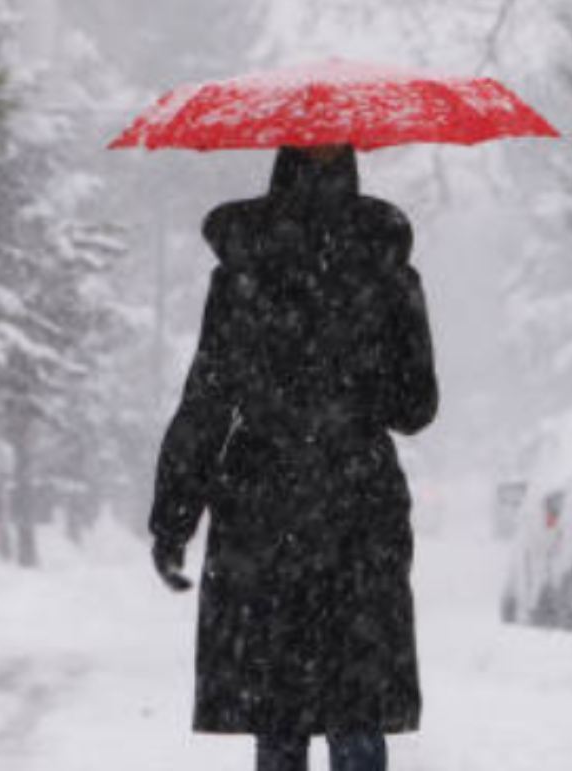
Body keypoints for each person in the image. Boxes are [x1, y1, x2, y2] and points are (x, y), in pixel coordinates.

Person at [150, 145, 439, 771]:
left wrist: (174, 520)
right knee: (355, 702)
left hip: (262, 505)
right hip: (358, 504)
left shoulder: (244, 270)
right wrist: (362, 378)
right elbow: (417, 408)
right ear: (351, 172)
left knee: (278, 706)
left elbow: (208, 400)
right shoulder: (388, 270)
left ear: (279, 171)